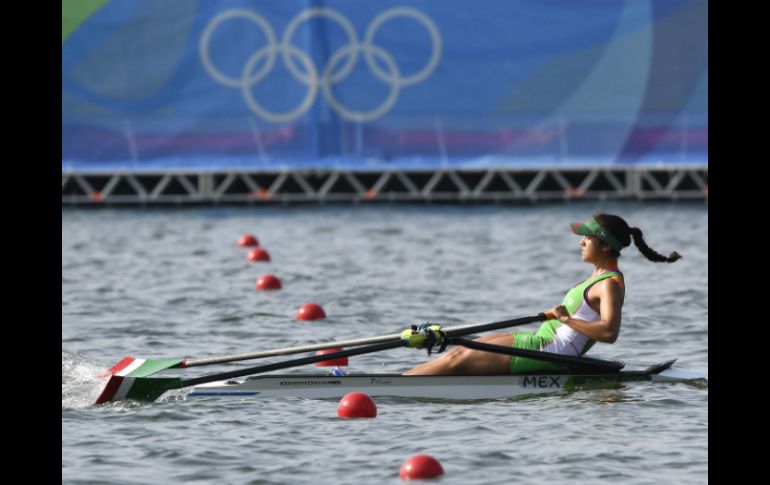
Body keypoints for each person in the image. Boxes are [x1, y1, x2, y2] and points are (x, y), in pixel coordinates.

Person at [402, 214, 681, 376]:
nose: (582, 241)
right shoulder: (595, 277)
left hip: (554, 352)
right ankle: (399, 379)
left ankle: (393, 386)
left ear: (606, 246)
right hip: (542, 341)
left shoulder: (610, 284)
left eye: (588, 237)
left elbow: (609, 332)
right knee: (464, 348)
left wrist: (567, 319)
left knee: (456, 361)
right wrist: (561, 318)